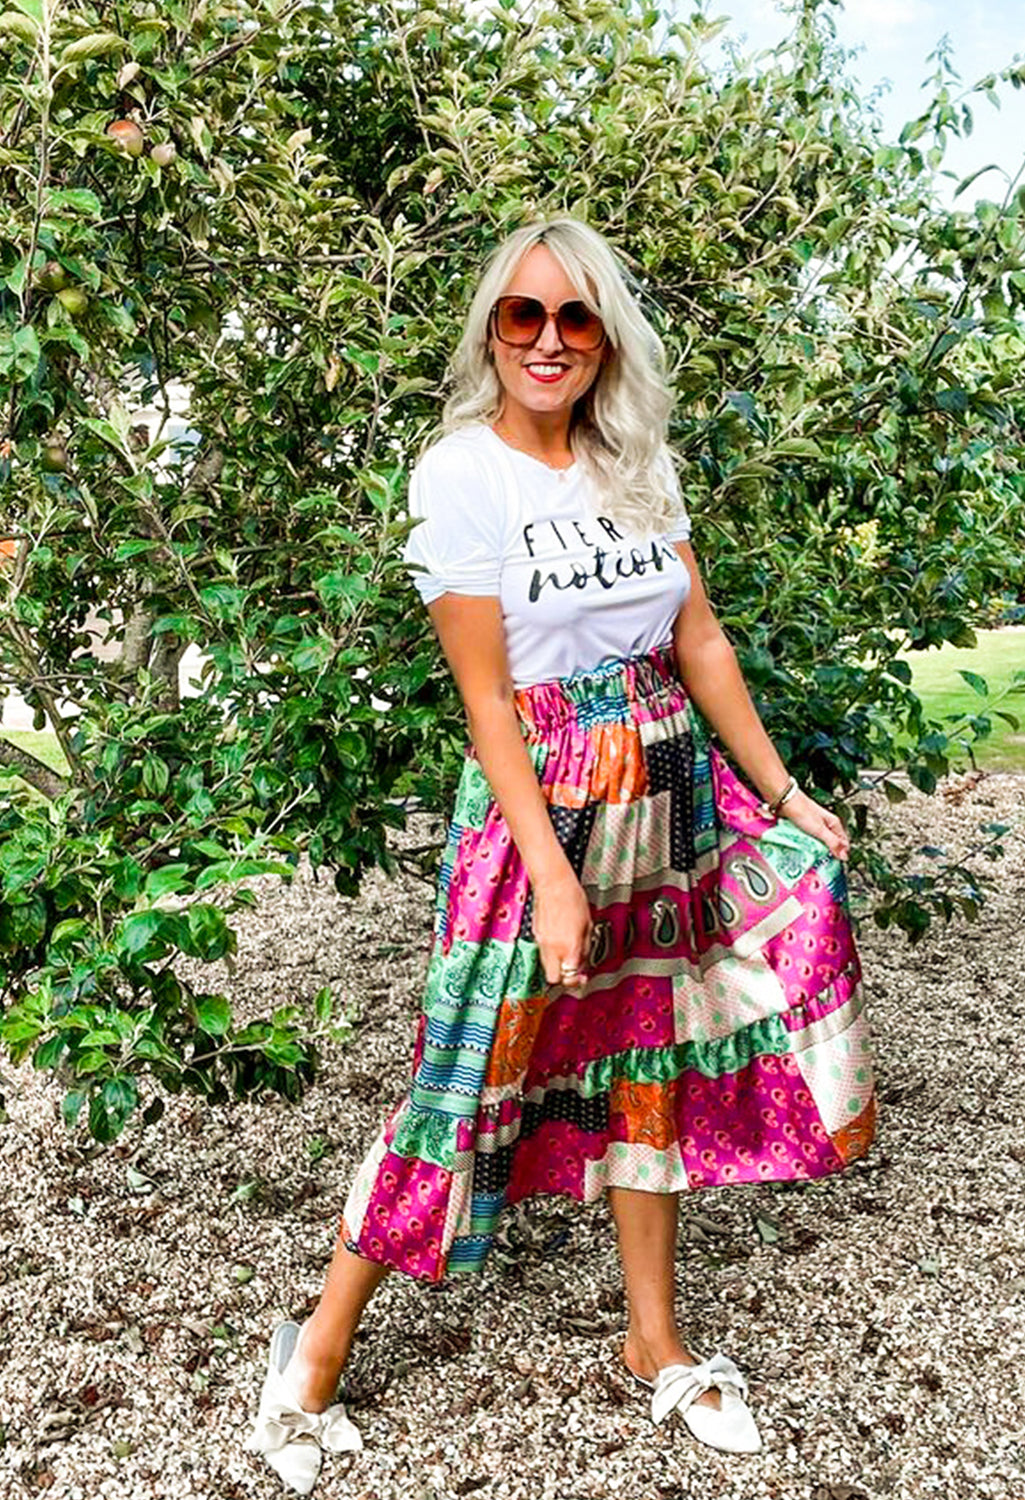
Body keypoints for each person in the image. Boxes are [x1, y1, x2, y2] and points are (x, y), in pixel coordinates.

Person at [247, 215, 877, 1494]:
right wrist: (547, 873)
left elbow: (698, 639)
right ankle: (313, 1351)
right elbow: (487, 699)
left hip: (667, 793)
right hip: (541, 804)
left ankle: (655, 1343)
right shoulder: (459, 474)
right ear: (492, 330)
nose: (547, 339)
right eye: (522, 314)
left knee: (650, 1049)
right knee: (466, 1067)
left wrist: (780, 789)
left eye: (574, 316)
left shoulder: (635, 460)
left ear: (606, 337)